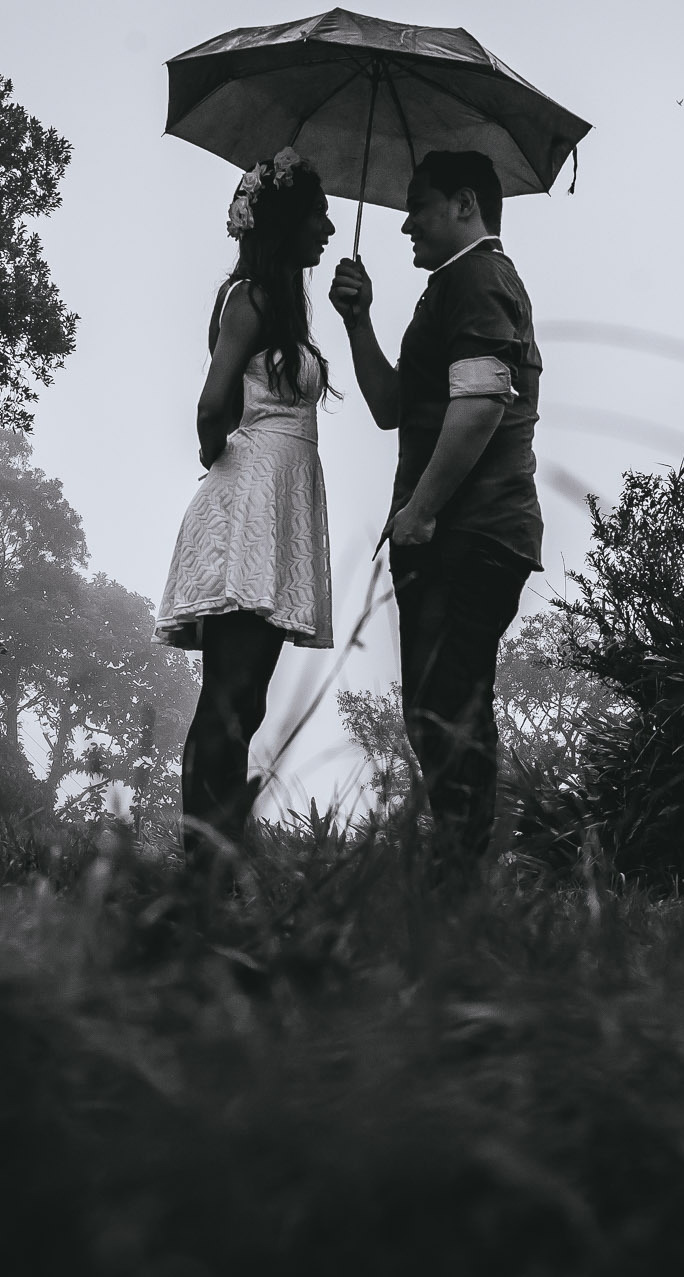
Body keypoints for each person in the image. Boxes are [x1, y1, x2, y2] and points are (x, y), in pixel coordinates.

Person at [329, 149, 543, 885]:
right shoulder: (449, 287)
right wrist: (357, 321)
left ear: (464, 205)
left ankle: (460, 884)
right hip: (450, 533)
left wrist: (419, 512)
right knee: (438, 705)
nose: (405, 225)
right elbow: (394, 407)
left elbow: (483, 402)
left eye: (417, 206)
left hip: (468, 531)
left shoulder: (479, 278)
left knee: (445, 707)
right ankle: (463, 877)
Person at [156, 147, 337, 870]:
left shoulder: (285, 306)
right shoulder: (249, 300)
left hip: (281, 504)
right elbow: (211, 406)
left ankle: (220, 848)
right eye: (317, 215)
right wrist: (227, 458)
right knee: (230, 696)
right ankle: (205, 857)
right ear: (288, 221)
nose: (326, 228)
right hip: (250, 506)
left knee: (247, 699)